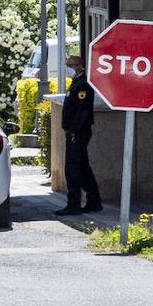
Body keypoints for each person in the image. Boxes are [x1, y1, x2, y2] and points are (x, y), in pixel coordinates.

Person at [56, 55, 101, 215]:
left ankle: (74, 203)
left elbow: (82, 111)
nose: (68, 68)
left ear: (79, 66)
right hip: (75, 132)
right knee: (82, 167)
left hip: (78, 132)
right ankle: (94, 201)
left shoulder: (83, 85)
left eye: (71, 65)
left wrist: (74, 129)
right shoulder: (76, 83)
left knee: (73, 167)